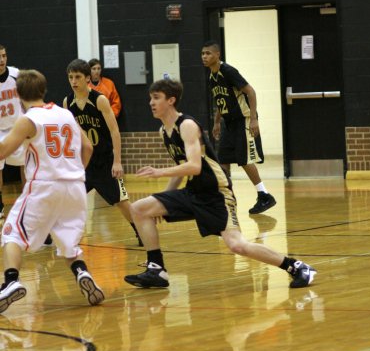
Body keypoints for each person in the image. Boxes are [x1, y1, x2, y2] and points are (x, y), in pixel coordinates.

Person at [123, 79, 316, 289]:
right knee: (140, 209)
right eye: (151, 98)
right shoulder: (164, 131)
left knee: (237, 245)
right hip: (193, 192)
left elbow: (194, 166)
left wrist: (159, 172)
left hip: (216, 193)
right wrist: (163, 201)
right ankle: (156, 270)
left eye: (156, 98)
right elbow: (181, 168)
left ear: (171, 100)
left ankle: (296, 267)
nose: (151, 102)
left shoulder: (186, 125)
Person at [0, 69, 104, 313]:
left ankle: (11, 281)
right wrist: (75, 173)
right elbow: (87, 147)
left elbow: (3, 151)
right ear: (43, 90)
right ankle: (82, 273)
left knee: (11, 233)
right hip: (76, 186)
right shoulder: (65, 113)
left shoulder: (29, 119)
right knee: (68, 241)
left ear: (18, 94)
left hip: (45, 186)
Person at [63, 59, 142, 245]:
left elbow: (114, 131)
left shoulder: (100, 100)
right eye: (70, 77)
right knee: (68, 199)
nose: (74, 81)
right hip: (86, 163)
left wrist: (117, 161)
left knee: (121, 202)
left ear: (87, 78)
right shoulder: (68, 102)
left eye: (78, 77)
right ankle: (63, 235)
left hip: (106, 161)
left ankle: (141, 230)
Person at [202, 40, 276, 215]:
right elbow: (220, 100)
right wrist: (217, 122)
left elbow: (250, 91)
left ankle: (264, 195)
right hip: (228, 123)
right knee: (224, 160)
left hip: (243, 120)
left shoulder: (228, 71)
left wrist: (253, 118)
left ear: (217, 55)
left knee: (244, 160)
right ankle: (227, 198)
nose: (204, 56)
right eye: (203, 53)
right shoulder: (211, 76)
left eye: (208, 53)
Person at [0, 44, 26, 219]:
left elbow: (28, 97)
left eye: (4, 56)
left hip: (17, 127)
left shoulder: (17, 75)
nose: (2, 60)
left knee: (26, 165)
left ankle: (28, 201)